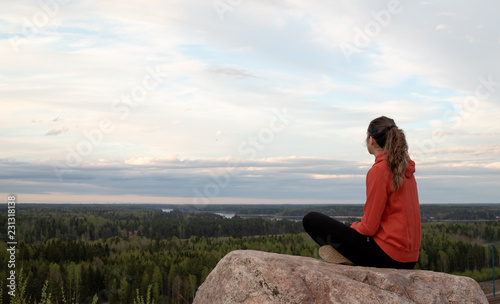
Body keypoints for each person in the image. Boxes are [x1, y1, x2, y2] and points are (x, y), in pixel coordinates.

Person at [302, 116, 421, 269]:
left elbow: (369, 228)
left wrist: (352, 229)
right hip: (409, 258)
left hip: (388, 257)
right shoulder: (406, 169)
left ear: (371, 140)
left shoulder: (380, 170)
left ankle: (347, 254)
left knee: (311, 220)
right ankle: (348, 253)